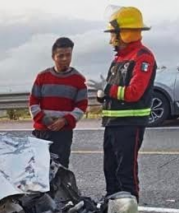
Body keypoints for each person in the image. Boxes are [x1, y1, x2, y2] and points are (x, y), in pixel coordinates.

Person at [89, 6, 156, 201]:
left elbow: (134, 93)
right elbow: (115, 91)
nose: (111, 40)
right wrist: (103, 95)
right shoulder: (119, 58)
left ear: (124, 33)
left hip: (129, 124)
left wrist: (108, 89)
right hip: (112, 123)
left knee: (126, 172)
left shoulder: (143, 57)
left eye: (114, 34)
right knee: (110, 169)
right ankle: (113, 206)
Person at [28, 37, 88, 168]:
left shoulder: (78, 80)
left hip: (63, 133)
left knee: (61, 167)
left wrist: (65, 120)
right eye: (61, 56)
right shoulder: (42, 77)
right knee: (40, 167)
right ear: (53, 56)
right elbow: (33, 102)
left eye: (68, 55)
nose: (65, 59)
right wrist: (43, 119)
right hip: (42, 131)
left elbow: (81, 106)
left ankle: (60, 189)